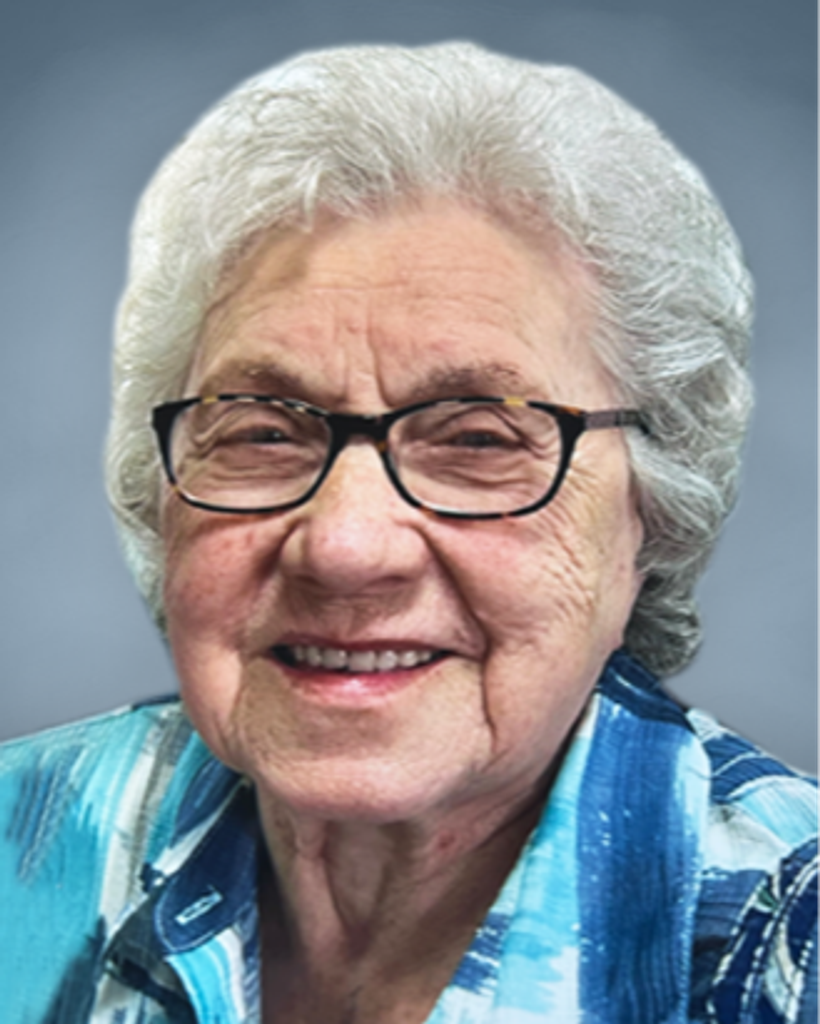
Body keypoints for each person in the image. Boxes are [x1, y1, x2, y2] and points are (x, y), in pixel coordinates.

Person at [0, 41, 816, 1024]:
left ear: (651, 515)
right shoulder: (20, 846)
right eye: (262, 433)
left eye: (477, 440)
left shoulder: (790, 948)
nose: (345, 546)